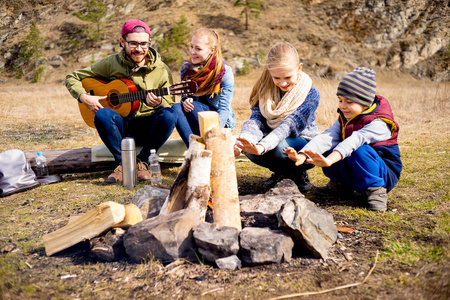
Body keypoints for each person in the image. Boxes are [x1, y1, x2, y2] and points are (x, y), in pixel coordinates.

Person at [65, 19, 177, 183]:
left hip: (149, 128)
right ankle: (122, 164)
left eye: (144, 44)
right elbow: (72, 77)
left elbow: (170, 103)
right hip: (121, 127)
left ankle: (143, 161)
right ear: (122, 42)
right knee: (102, 114)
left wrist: (159, 103)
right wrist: (84, 97)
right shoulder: (111, 63)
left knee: (169, 114)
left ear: (149, 43)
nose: (139, 49)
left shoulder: (161, 69)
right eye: (133, 43)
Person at [286, 67, 402, 211]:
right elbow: (327, 137)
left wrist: (329, 160)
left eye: (349, 102)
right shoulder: (345, 117)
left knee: (359, 149)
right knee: (330, 144)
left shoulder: (380, 122)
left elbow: (355, 140)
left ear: (365, 102)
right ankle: (340, 185)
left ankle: (376, 192)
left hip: (382, 174)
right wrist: (303, 155)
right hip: (355, 169)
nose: (342, 106)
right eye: (340, 100)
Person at [234, 42, 320, 193]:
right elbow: (256, 119)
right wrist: (245, 140)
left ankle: (299, 173)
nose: (283, 83)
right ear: (269, 72)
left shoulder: (311, 94)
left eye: (287, 76)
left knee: (280, 148)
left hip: (303, 143)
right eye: (277, 78)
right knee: (250, 147)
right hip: (273, 139)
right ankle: (283, 173)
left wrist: (262, 146)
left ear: (299, 68)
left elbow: (289, 126)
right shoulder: (265, 91)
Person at [173, 28, 235, 147]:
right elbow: (184, 97)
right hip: (194, 118)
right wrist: (186, 101)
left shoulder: (224, 72)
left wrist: (216, 133)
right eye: (191, 46)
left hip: (219, 123)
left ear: (211, 50)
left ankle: (208, 145)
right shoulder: (186, 69)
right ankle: (194, 149)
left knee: (194, 107)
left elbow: (224, 108)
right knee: (176, 108)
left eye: (198, 49)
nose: (192, 52)